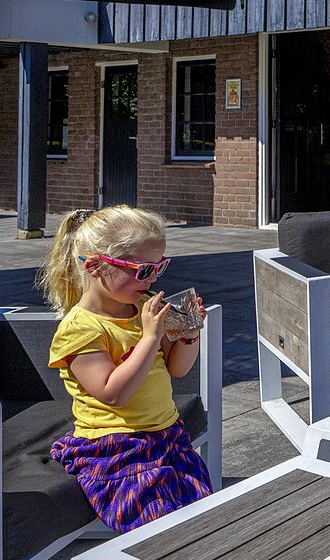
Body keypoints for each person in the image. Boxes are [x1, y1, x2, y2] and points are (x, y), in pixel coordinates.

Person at [38, 206, 212, 532]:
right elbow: (113, 393)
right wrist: (150, 337)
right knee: (160, 529)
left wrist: (189, 336)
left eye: (160, 266)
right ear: (95, 267)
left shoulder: (139, 308)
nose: (154, 278)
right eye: (144, 269)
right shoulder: (80, 329)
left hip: (167, 436)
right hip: (116, 450)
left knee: (200, 514)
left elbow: (177, 369)